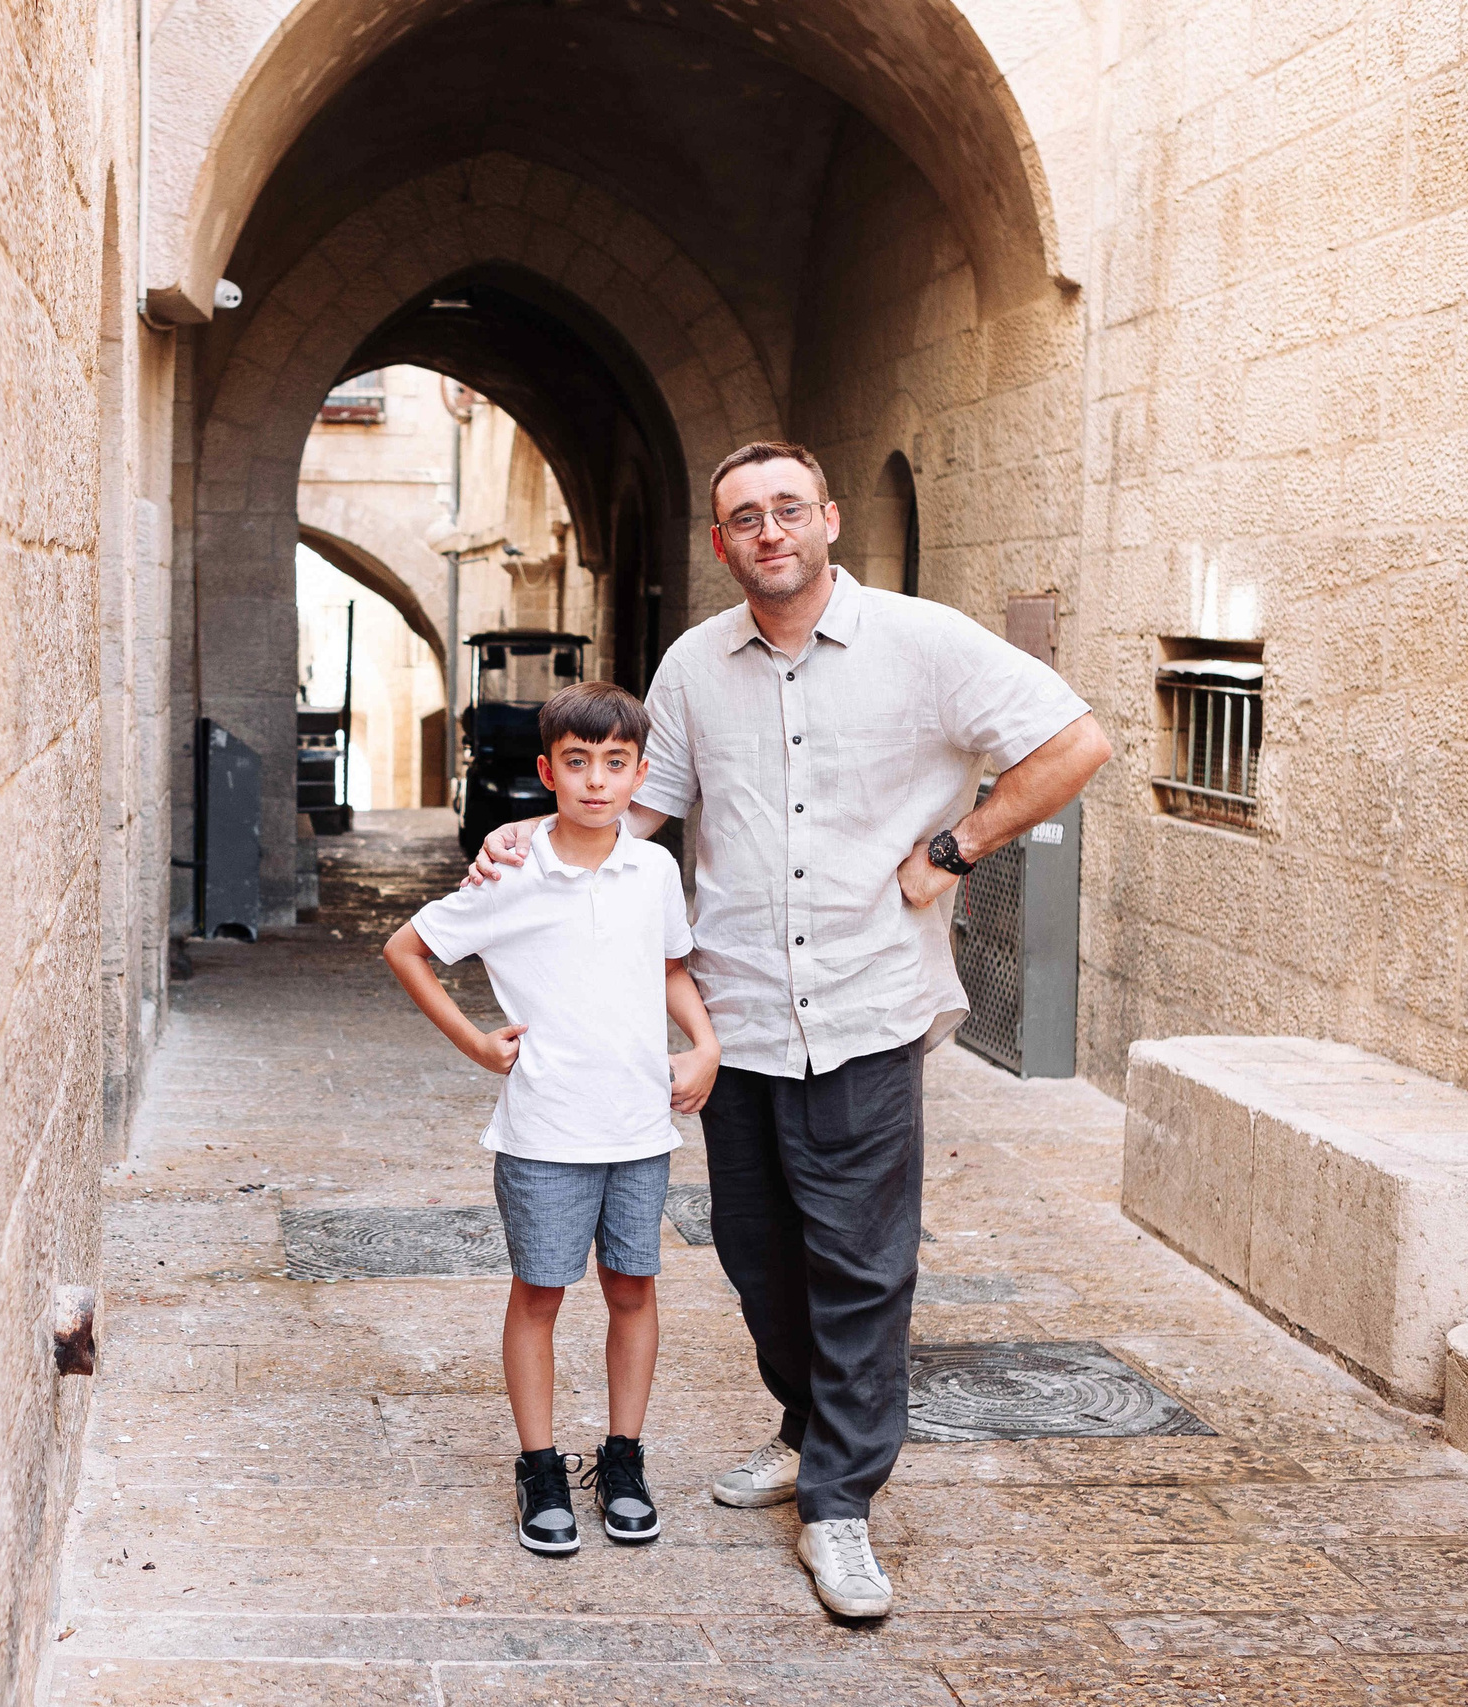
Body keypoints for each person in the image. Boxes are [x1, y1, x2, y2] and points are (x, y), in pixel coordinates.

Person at [465, 441, 1111, 1614]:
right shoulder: (692, 668)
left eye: (785, 510)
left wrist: (958, 846)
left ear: (825, 520)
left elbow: (1074, 742)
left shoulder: (925, 641)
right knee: (762, 1261)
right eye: (742, 519)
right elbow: (635, 811)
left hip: (867, 1004)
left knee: (861, 1268)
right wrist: (524, 846)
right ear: (720, 545)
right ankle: (807, 1428)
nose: (767, 531)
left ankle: (842, 1504)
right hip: (739, 1014)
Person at [382, 680, 722, 1556]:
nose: (597, 781)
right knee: (539, 1293)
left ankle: (624, 1458)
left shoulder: (651, 870)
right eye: (578, 763)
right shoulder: (511, 874)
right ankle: (539, 1467)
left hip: (640, 1127)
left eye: (615, 764)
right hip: (544, 1131)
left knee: (633, 1288)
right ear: (547, 772)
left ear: (640, 773)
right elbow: (407, 947)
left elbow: (673, 967)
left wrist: (705, 1045)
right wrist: (473, 1042)